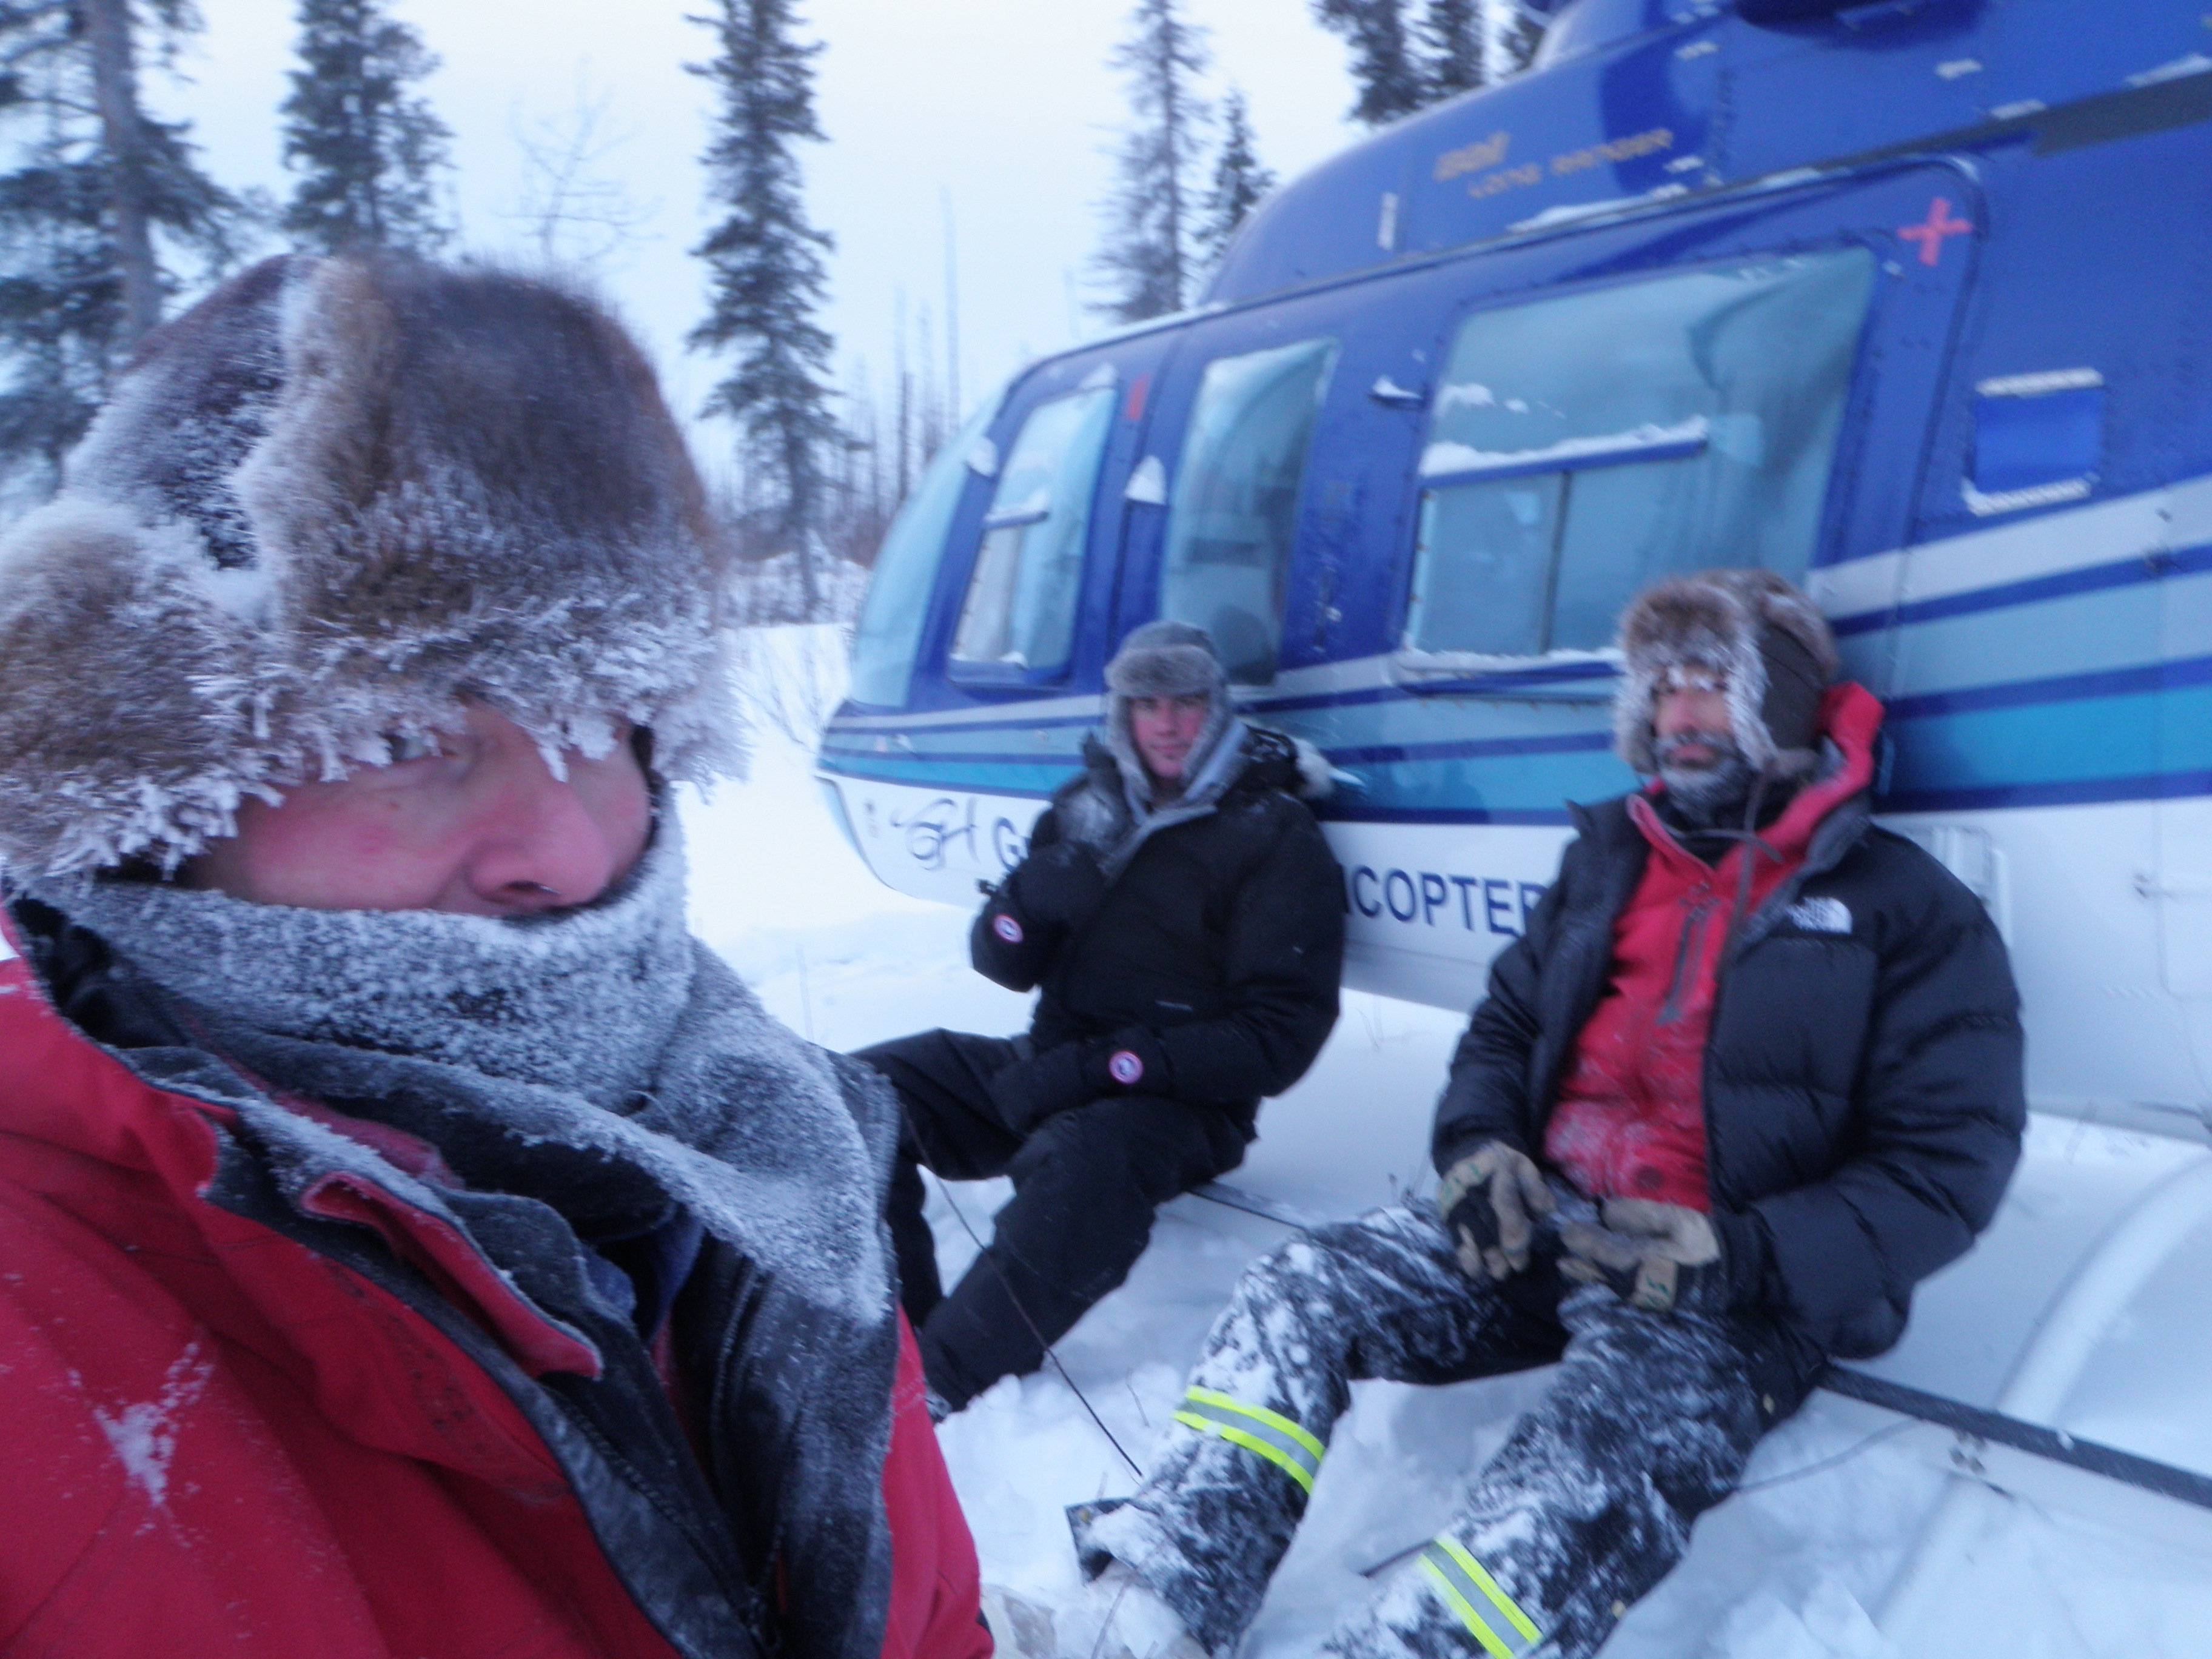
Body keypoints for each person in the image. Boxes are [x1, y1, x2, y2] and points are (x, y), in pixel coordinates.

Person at [0, 253, 987, 1659]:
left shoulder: (766, 1157)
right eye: (406, 736)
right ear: (149, 810)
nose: (567, 854)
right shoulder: (39, 1332)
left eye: (603, 722)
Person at [1054, 569, 2026, 1659]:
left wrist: (1740, 1254)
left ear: (1783, 705)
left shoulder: (1905, 907)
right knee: (1300, 1290)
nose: (1680, 715)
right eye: (1662, 689)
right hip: (1547, 1222)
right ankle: (1161, 1596)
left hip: (1730, 1284)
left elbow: (1950, 1165)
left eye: (1713, 686)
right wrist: (1480, 1152)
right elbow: (1505, 1028)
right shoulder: (1610, 860)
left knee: (1590, 1459)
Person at [859, 622, 1345, 1415]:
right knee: (861, 1091)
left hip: (1180, 1104)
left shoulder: (1272, 833)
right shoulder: (1082, 808)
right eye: (1147, 704)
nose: (1167, 723)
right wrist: (1024, 902)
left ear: (1215, 706)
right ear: (1123, 712)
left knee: (1088, 1161)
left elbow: (1279, 1037)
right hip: (1050, 1066)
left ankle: (933, 1388)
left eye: (1186, 701)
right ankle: (896, 1333)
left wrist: (1110, 1066)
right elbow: (1004, 964)